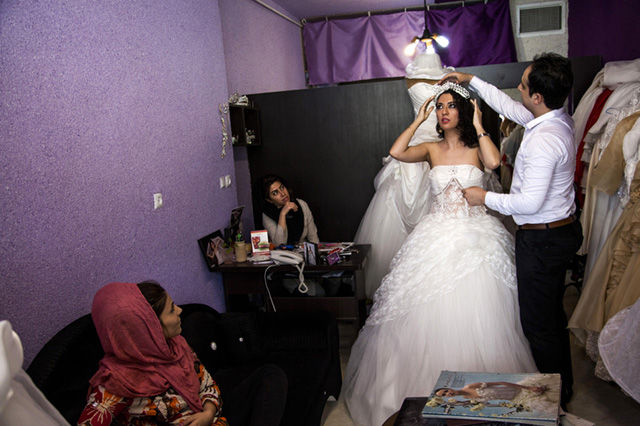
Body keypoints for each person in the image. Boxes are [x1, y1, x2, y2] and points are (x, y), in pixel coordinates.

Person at [341, 82, 537, 426]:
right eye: (440, 107)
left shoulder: (477, 148)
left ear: (463, 111)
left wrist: (479, 123)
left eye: (451, 106)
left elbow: (494, 162)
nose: (444, 112)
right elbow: (397, 151)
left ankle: (482, 404)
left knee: (479, 313)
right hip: (436, 234)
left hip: (476, 237)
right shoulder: (431, 148)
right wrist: (418, 120)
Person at [447, 53, 583, 408]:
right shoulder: (555, 117)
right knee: (551, 316)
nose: (518, 90)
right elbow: (507, 105)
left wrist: (484, 197)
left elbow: (529, 203)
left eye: (523, 86)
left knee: (538, 324)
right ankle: (563, 385)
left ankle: (552, 399)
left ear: (537, 96)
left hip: (543, 237)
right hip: (558, 231)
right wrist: (472, 80)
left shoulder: (543, 140)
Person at [78, 281, 287, 425]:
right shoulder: (116, 384)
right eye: (171, 310)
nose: (179, 311)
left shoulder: (177, 346)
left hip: (211, 417)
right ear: (148, 329)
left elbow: (206, 383)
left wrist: (208, 413)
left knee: (271, 375)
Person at [261, 174, 319, 246]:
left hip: (303, 251)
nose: (283, 194)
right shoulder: (267, 214)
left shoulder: (301, 204)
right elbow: (279, 244)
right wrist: (282, 214)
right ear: (269, 200)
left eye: (282, 187)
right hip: (282, 253)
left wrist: (315, 251)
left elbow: (313, 238)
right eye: (275, 193)